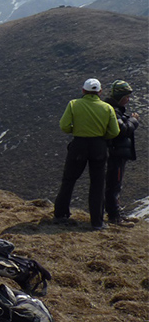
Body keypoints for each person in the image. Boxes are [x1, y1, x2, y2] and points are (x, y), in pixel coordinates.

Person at [53, 78, 119, 229]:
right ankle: (97, 222)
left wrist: (76, 131)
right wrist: (102, 137)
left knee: (69, 179)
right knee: (97, 183)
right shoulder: (107, 108)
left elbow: (64, 126)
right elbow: (114, 131)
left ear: (83, 91)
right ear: (100, 92)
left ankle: (60, 215)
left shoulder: (74, 104)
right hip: (99, 146)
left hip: (79, 145)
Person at [104, 80, 141, 224]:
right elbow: (122, 130)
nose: (128, 99)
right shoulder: (114, 110)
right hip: (116, 153)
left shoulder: (114, 109)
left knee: (114, 183)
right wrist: (133, 120)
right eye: (126, 96)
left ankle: (114, 212)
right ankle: (114, 216)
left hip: (115, 152)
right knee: (114, 183)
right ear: (121, 97)